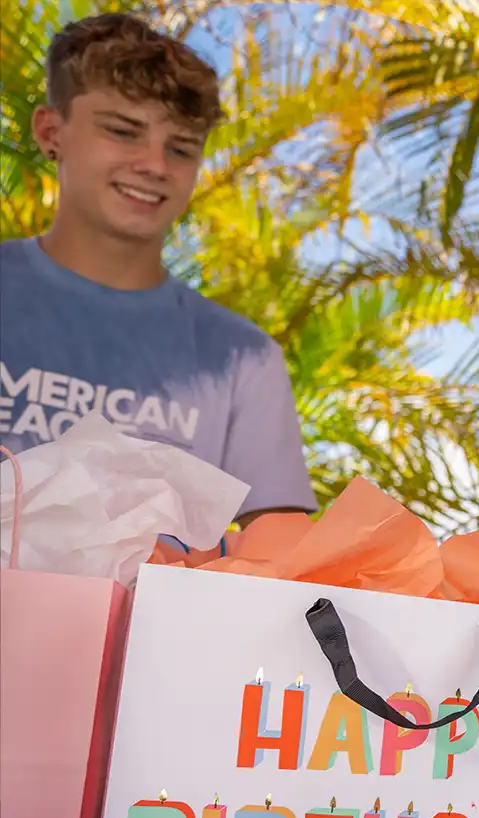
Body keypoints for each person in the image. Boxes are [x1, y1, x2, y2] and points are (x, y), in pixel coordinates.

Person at [1, 14, 315, 525]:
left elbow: (278, 555)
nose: (154, 165)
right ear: (50, 131)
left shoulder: (243, 360)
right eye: (123, 131)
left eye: (181, 148)